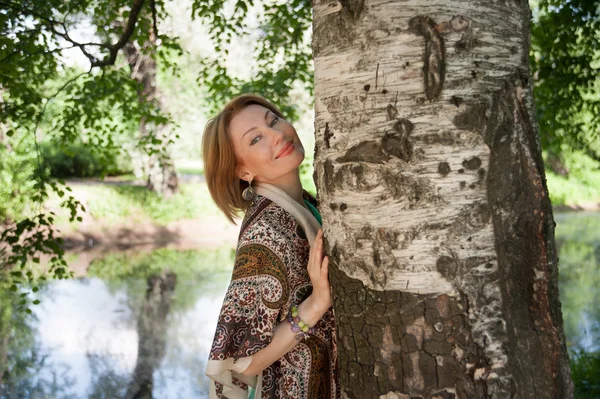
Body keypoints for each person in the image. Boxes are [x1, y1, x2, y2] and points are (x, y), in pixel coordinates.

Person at [202, 94, 340, 399]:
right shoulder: (264, 233)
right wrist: (316, 304)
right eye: (256, 139)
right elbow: (240, 363)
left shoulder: (308, 204)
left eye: (274, 121)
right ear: (243, 172)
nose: (278, 135)